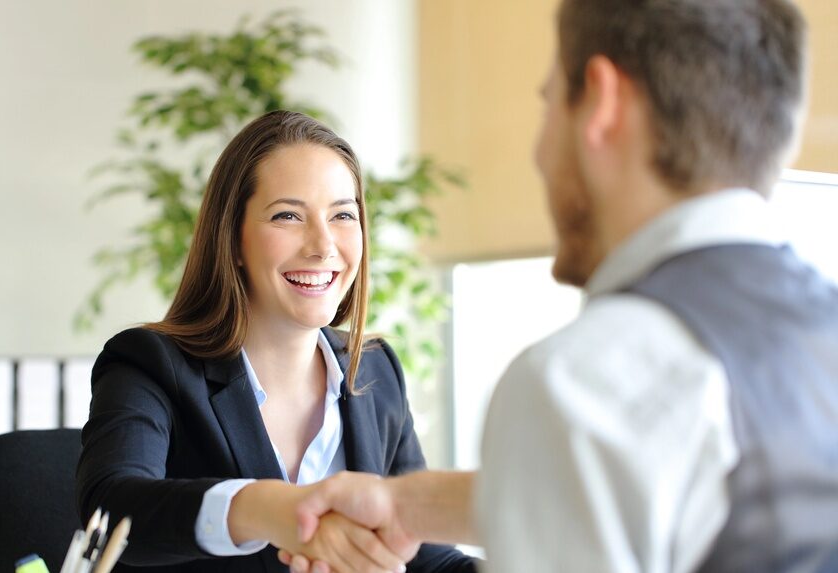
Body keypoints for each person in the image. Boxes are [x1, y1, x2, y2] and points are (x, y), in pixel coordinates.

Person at [283, 0, 838, 571]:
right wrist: (405, 504)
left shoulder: (580, 384)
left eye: (549, 105)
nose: (540, 154)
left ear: (601, 103)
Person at [75, 110, 476, 573]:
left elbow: (421, 553)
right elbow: (110, 511)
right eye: (287, 215)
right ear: (233, 239)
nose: (323, 245)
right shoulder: (150, 365)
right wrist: (272, 509)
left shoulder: (375, 369)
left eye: (343, 215)